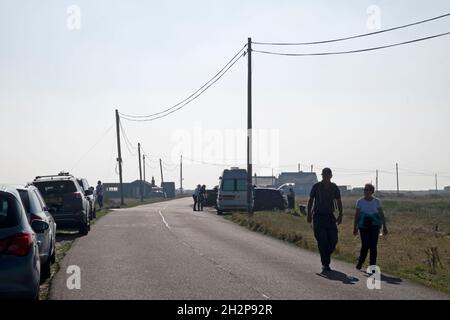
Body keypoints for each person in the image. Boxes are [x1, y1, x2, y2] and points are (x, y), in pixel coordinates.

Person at [307, 168, 343, 273]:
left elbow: (339, 201)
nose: (326, 177)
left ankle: (326, 255)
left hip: (330, 217)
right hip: (318, 217)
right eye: (324, 175)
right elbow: (311, 200)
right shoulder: (316, 187)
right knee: (322, 240)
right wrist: (309, 214)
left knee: (333, 240)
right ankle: (325, 264)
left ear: (331, 176)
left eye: (328, 175)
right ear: (322, 176)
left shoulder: (334, 187)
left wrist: (340, 214)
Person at [353, 183, 388, 270]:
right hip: (363, 226)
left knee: (373, 246)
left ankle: (372, 266)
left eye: (367, 190)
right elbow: (356, 215)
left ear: (372, 191)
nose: (365, 191)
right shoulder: (360, 201)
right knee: (365, 245)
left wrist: (384, 226)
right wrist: (355, 227)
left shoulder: (377, 201)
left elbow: (381, 214)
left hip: (375, 225)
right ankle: (360, 261)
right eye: (364, 189)